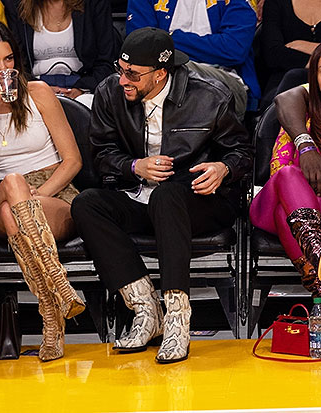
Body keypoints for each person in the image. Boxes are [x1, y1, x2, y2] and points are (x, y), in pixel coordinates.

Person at [71, 28, 252, 363]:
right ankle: (145, 309)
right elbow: (100, 154)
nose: (122, 80)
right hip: (140, 193)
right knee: (86, 204)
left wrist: (222, 170)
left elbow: (242, 153)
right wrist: (134, 166)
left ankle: (177, 319)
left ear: (160, 74)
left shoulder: (209, 95)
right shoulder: (110, 93)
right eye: (120, 69)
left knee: (167, 197)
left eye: (133, 75)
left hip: (199, 199)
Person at [0, 19, 85, 362]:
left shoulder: (39, 92)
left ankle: (51, 315)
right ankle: (60, 283)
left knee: (18, 208)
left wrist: (38, 199)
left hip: (53, 189)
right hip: (0, 192)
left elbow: (72, 160)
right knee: (12, 183)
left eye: (8, 59)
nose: (2, 67)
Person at [250, 44, 321, 296]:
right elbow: (284, 98)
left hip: (298, 213)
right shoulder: (301, 109)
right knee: (288, 175)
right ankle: (318, 255)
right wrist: (305, 145)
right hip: (267, 207)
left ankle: (315, 279)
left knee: (286, 212)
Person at [126, 0, 259, 119]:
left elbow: (234, 49)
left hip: (225, 79)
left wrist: (169, 38)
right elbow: (140, 44)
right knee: (122, 80)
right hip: (158, 76)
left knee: (179, 69)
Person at [2, 0, 118, 108]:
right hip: (34, 88)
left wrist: (82, 89)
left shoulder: (94, 3)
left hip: (85, 89)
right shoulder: (16, 6)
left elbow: (106, 61)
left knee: (85, 107)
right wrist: (40, 90)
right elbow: (16, 65)